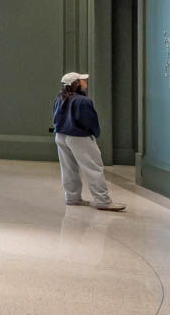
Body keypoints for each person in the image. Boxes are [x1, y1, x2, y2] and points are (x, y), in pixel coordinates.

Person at [53, 72, 125, 211]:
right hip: (79, 137)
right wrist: (94, 134)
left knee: (68, 169)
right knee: (93, 168)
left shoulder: (59, 98)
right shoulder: (83, 101)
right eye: (82, 80)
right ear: (77, 83)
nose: (85, 82)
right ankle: (102, 200)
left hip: (60, 135)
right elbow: (89, 121)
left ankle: (72, 197)